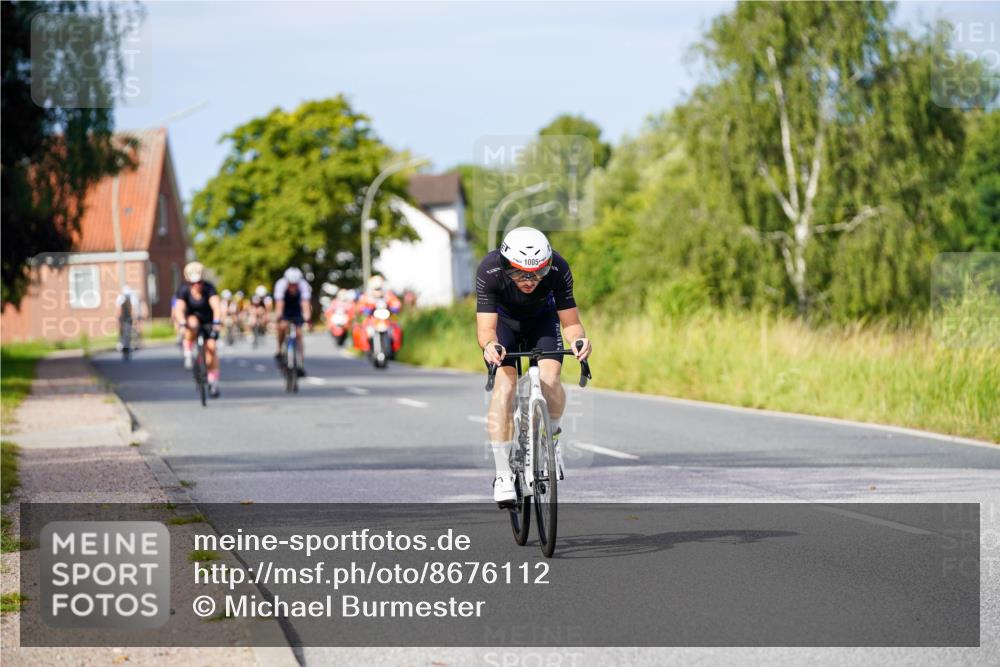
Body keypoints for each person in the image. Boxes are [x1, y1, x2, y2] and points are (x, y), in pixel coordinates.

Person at [476, 227, 592, 505]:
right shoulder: (489, 270)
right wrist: (491, 346)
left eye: (538, 273)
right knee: (505, 387)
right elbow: (486, 330)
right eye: (518, 273)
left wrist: (579, 341)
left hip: (542, 321)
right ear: (505, 266)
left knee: (550, 379)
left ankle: (550, 439)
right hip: (503, 326)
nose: (529, 280)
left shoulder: (559, 268)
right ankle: (504, 474)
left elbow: (572, 323)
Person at [173, 261, 224, 397]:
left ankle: (213, 381)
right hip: (192, 320)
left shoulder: (209, 288)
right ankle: (188, 351)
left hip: (207, 321)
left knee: (211, 350)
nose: (198, 285)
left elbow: (216, 306)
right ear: (189, 282)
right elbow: (179, 308)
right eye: (194, 283)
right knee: (192, 323)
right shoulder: (183, 290)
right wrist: (182, 322)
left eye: (200, 282)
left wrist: (217, 322)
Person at [274, 267, 312, 376]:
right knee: (282, 327)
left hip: (296, 309)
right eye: (291, 284)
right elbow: (279, 304)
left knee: (299, 334)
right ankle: (279, 349)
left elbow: (305, 303)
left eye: (295, 284)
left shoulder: (303, 285)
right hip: (285, 308)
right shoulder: (280, 285)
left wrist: (307, 317)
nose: (293, 287)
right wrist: (279, 316)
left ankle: (300, 363)